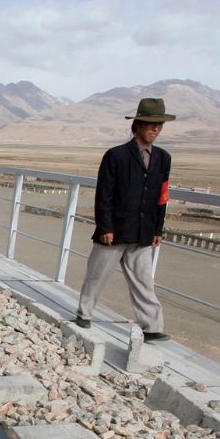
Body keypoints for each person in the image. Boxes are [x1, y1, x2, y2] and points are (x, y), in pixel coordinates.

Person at [75, 98, 174, 342]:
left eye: (159, 125)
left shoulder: (163, 158)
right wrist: (105, 226)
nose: (155, 129)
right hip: (115, 229)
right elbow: (104, 194)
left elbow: (162, 196)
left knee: (143, 280)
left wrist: (158, 228)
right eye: (151, 124)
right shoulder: (116, 155)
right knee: (97, 274)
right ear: (137, 125)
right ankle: (84, 314)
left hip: (143, 231)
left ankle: (151, 326)